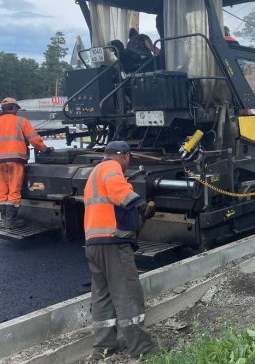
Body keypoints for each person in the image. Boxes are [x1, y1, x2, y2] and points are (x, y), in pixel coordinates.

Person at [83, 141, 156, 360]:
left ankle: (103, 347)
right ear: (124, 156)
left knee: (102, 296)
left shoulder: (94, 172)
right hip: (112, 243)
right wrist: (140, 204)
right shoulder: (111, 168)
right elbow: (118, 191)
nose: (127, 163)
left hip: (94, 244)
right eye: (128, 159)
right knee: (127, 294)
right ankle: (141, 349)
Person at [0, 98, 51, 227]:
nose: (17, 111)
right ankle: (10, 221)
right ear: (13, 107)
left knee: (1, 191)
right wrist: (45, 149)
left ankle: (4, 219)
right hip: (15, 160)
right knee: (14, 190)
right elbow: (34, 140)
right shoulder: (21, 121)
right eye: (17, 108)